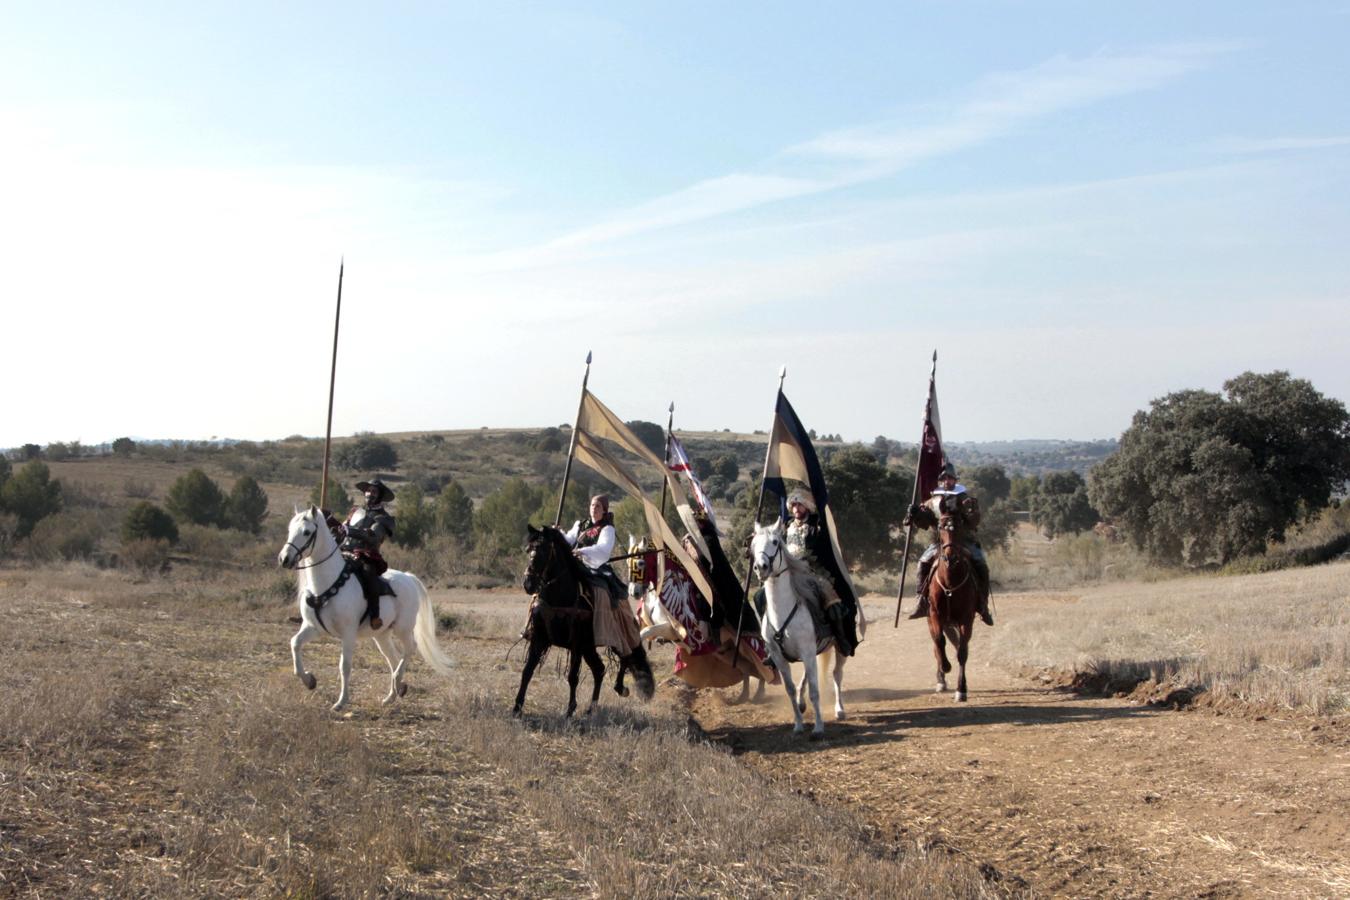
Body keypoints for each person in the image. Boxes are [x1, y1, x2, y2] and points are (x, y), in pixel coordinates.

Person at [905, 464, 993, 625]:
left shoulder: (965, 498)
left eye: (950, 478)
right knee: (922, 563)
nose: (947, 481)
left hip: (964, 540)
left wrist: (970, 511)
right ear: (940, 481)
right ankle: (921, 601)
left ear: (955, 480)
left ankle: (983, 604)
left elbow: (974, 521)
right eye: (944, 478)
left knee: (981, 564)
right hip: (940, 542)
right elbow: (926, 523)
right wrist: (915, 514)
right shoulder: (932, 501)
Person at [784, 489, 859, 656]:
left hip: (813, 571)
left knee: (830, 598)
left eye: (799, 504)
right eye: (793, 504)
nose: (796, 508)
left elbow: (823, 545)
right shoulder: (787, 527)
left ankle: (840, 638)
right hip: (790, 572)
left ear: (807, 507)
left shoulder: (816, 524)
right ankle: (772, 645)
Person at [564, 493, 641, 654]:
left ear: (604, 510)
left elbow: (604, 550)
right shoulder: (580, 524)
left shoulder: (607, 529)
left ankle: (602, 629)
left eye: (598, 506)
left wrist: (582, 552)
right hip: (576, 565)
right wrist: (558, 534)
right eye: (592, 505)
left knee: (601, 591)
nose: (594, 508)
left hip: (596, 567)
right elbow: (569, 539)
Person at [330, 478, 397, 630]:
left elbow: (372, 536)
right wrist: (330, 522)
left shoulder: (384, 518)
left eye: (374, 491)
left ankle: (374, 616)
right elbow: (342, 530)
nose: (370, 493)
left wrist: (347, 530)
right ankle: (314, 610)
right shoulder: (355, 511)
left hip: (366, 554)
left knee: (369, 573)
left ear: (379, 496)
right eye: (368, 490)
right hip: (344, 551)